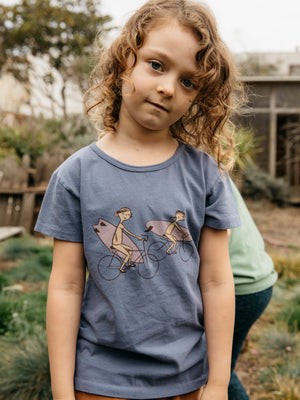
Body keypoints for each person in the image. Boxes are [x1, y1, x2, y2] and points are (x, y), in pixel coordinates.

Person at [35, 1, 242, 399]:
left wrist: (217, 383)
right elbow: (65, 285)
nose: (168, 87)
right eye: (157, 65)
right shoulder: (75, 176)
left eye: (188, 82)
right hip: (98, 381)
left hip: (185, 380)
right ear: (124, 59)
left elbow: (216, 281)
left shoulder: (206, 176)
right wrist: (62, 392)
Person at [228, 179, 278, 400]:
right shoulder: (205, 164)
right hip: (256, 279)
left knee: (212, 372)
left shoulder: (196, 169)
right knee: (219, 369)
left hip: (238, 285)